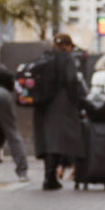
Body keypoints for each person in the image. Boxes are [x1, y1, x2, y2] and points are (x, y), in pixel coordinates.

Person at [33, 33, 87, 190]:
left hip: (43, 104)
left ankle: (48, 176)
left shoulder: (45, 57)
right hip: (60, 104)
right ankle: (50, 178)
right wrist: (76, 100)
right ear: (68, 46)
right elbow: (71, 80)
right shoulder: (67, 58)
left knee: (48, 140)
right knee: (57, 141)